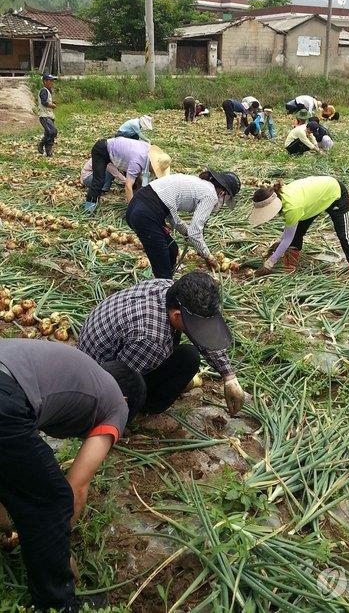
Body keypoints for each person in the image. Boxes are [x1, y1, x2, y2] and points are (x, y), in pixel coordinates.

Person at [0, 339, 145, 613]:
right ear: (127, 401)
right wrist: (60, 553)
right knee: (52, 501)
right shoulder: (117, 403)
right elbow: (76, 487)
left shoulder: (76, 368)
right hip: (4, 396)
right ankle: (57, 604)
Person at [77, 272, 246, 417]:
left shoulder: (169, 289)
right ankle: (146, 408)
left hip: (100, 351)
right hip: (95, 380)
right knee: (188, 359)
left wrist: (229, 376)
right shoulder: (151, 340)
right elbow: (117, 382)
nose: (200, 331)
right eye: (197, 326)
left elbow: (203, 332)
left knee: (182, 351)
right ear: (177, 316)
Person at [248, 176, 349, 284]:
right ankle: (289, 272)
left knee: (345, 237)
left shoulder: (292, 207)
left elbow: (287, 238)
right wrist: (279, 242)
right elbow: (289, 233)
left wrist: (270, 263)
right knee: (296, 233)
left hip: (335, 193)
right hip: (312, 201)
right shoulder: (281, 196)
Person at [126, 170, 241, 279]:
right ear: (222, 193)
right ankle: (163, 288)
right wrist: (208, 256)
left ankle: (166, 282)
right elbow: (195, 233)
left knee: (172, 249)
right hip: (146, 214)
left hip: (137, 207)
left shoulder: (200, 185)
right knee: (162, 264)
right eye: (225, 200)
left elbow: (172, 215)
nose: (222, 203)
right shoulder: (210, 195)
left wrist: (185, 232)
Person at [82, 137, 171, 214]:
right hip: (101, 150)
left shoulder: (149, 150)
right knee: (99, 181)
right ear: (153, 164)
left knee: (137, 180)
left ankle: (137, 200)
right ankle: (89, 208)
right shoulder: (137, 162)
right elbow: (128, 186)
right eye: (156, 170)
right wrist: (131, 210)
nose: (155, 172)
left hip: (116, 150)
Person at [37, 73, 58, 157]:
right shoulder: (44, 90)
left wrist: (52, 103)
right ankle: (41, 144)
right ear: (45, 81)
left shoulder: (49, 91)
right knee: (52, 131)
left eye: (52, 81)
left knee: (49, 134)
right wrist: (52, 105)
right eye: (50, 81)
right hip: (44, 116)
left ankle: (48, 152)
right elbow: (44, 102)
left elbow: (47, 101)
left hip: (49, 115)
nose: (52, 82)